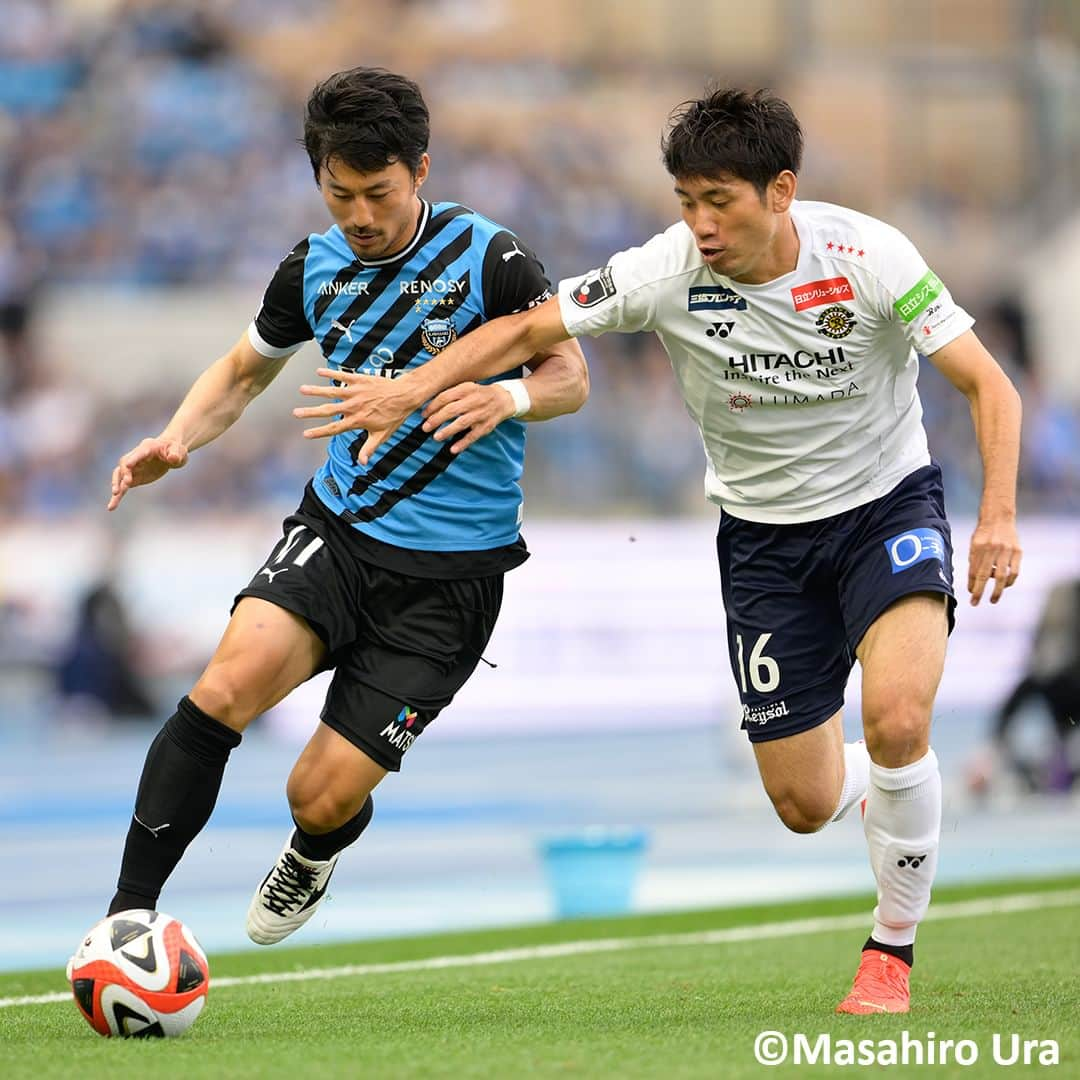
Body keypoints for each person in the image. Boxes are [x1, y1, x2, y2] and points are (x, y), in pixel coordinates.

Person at [306, 88, 1023, 1014]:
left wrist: (996, 514)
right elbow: (525, 330)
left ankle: (891, 951)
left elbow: (987, 385)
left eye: (719, 200)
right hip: (762, 542)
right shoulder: (663, 270)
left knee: (896, 718)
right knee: (804, 805)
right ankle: (898, 786)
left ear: (781, 190)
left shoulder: (870, 255)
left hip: (887, 508)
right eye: (686, 201)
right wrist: (413, 388)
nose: (700, 223)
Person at [101, 67, 588, 947]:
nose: (358, 216)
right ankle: (125, 916)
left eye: (378, 193)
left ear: (422, 171)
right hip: (337, 533)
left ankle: (319, 846)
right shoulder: (313, 265)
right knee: (221, 689)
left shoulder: (490, 256)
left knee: (315, 794)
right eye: (339, 193)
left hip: (450, 581)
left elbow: (567, 375)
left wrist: (508, 400)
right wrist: (177, 437)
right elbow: (244, 371)